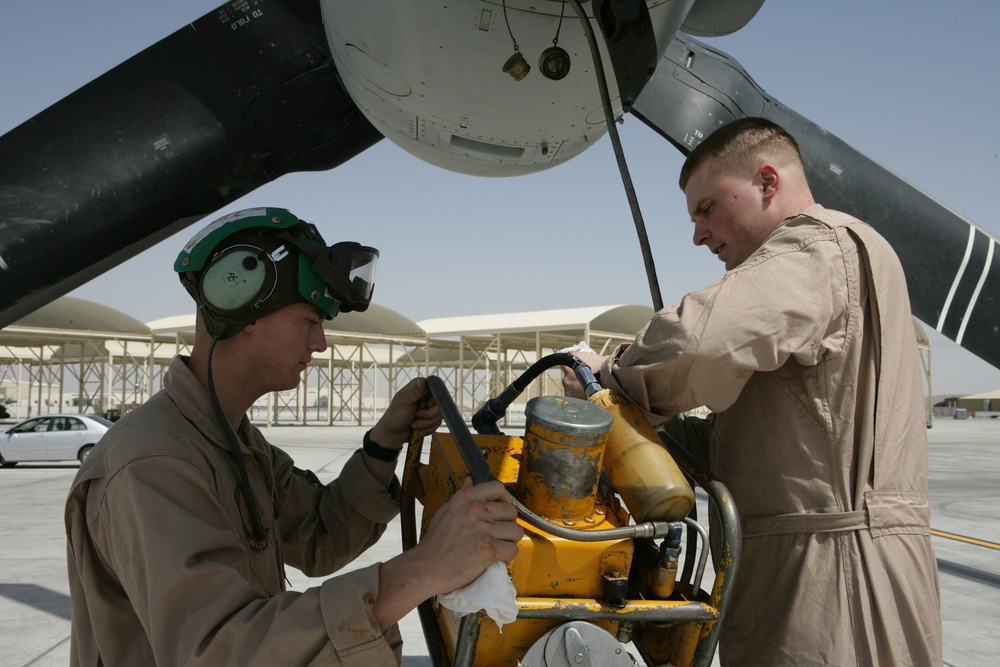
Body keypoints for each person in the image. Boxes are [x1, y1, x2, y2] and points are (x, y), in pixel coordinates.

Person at [65, 207, 524, 666]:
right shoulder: (153, 464)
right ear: (242, 307)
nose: (320, 342)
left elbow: (321, 536)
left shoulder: (231, 443)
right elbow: (219, 649)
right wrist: (425, 568)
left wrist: (384, 442)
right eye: (309, 319)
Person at [564, 118, 942, 665]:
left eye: (707, 207)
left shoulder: (816, 249)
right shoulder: (828, 271)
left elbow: (700, 340)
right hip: (820, 563)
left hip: (834, 577)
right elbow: (751, 444)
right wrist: (640, 427)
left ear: (768, 182)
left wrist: (609, 376)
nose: (698, 233)